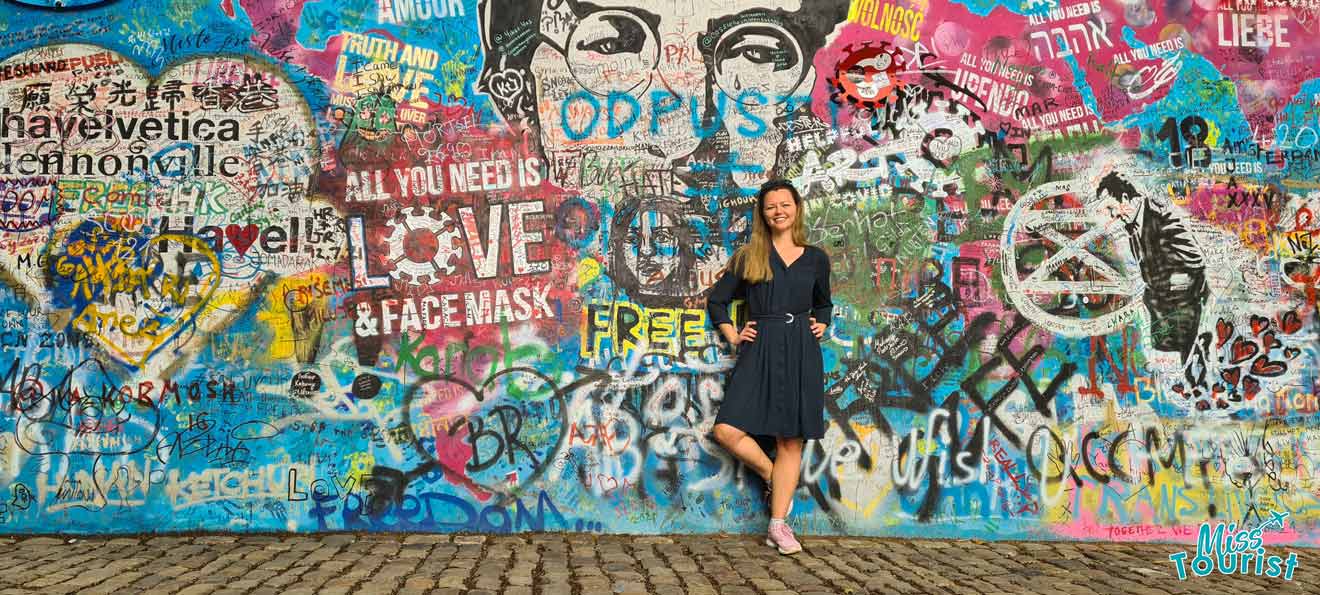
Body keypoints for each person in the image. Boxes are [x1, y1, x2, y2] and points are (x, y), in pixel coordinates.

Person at [706, 179, 832, 555]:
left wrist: (823, 321)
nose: (779, 211)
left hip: (800, 351)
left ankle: (778, 526)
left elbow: (823, 303)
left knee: (790, 440)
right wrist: (732, 334)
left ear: (797, 208)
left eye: (785, 204)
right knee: (726, 430)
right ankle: (772, 476)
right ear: (763, 214)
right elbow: (717, 302)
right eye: (771, 206)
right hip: (759, 349)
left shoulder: (815, 258)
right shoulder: (750, 256)